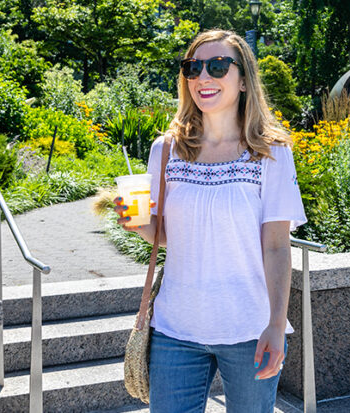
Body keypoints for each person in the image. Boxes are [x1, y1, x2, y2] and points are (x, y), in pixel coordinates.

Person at [113, 29, 306, 413]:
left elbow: (276, 246)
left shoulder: (270, 153)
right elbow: (168, 236)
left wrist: (276, 325)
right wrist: (136, 222)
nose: (204, 77)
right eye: (193, 67)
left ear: (244, 78)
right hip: (175, 329)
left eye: (218, 66)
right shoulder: (166, 148)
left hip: (249, 328)